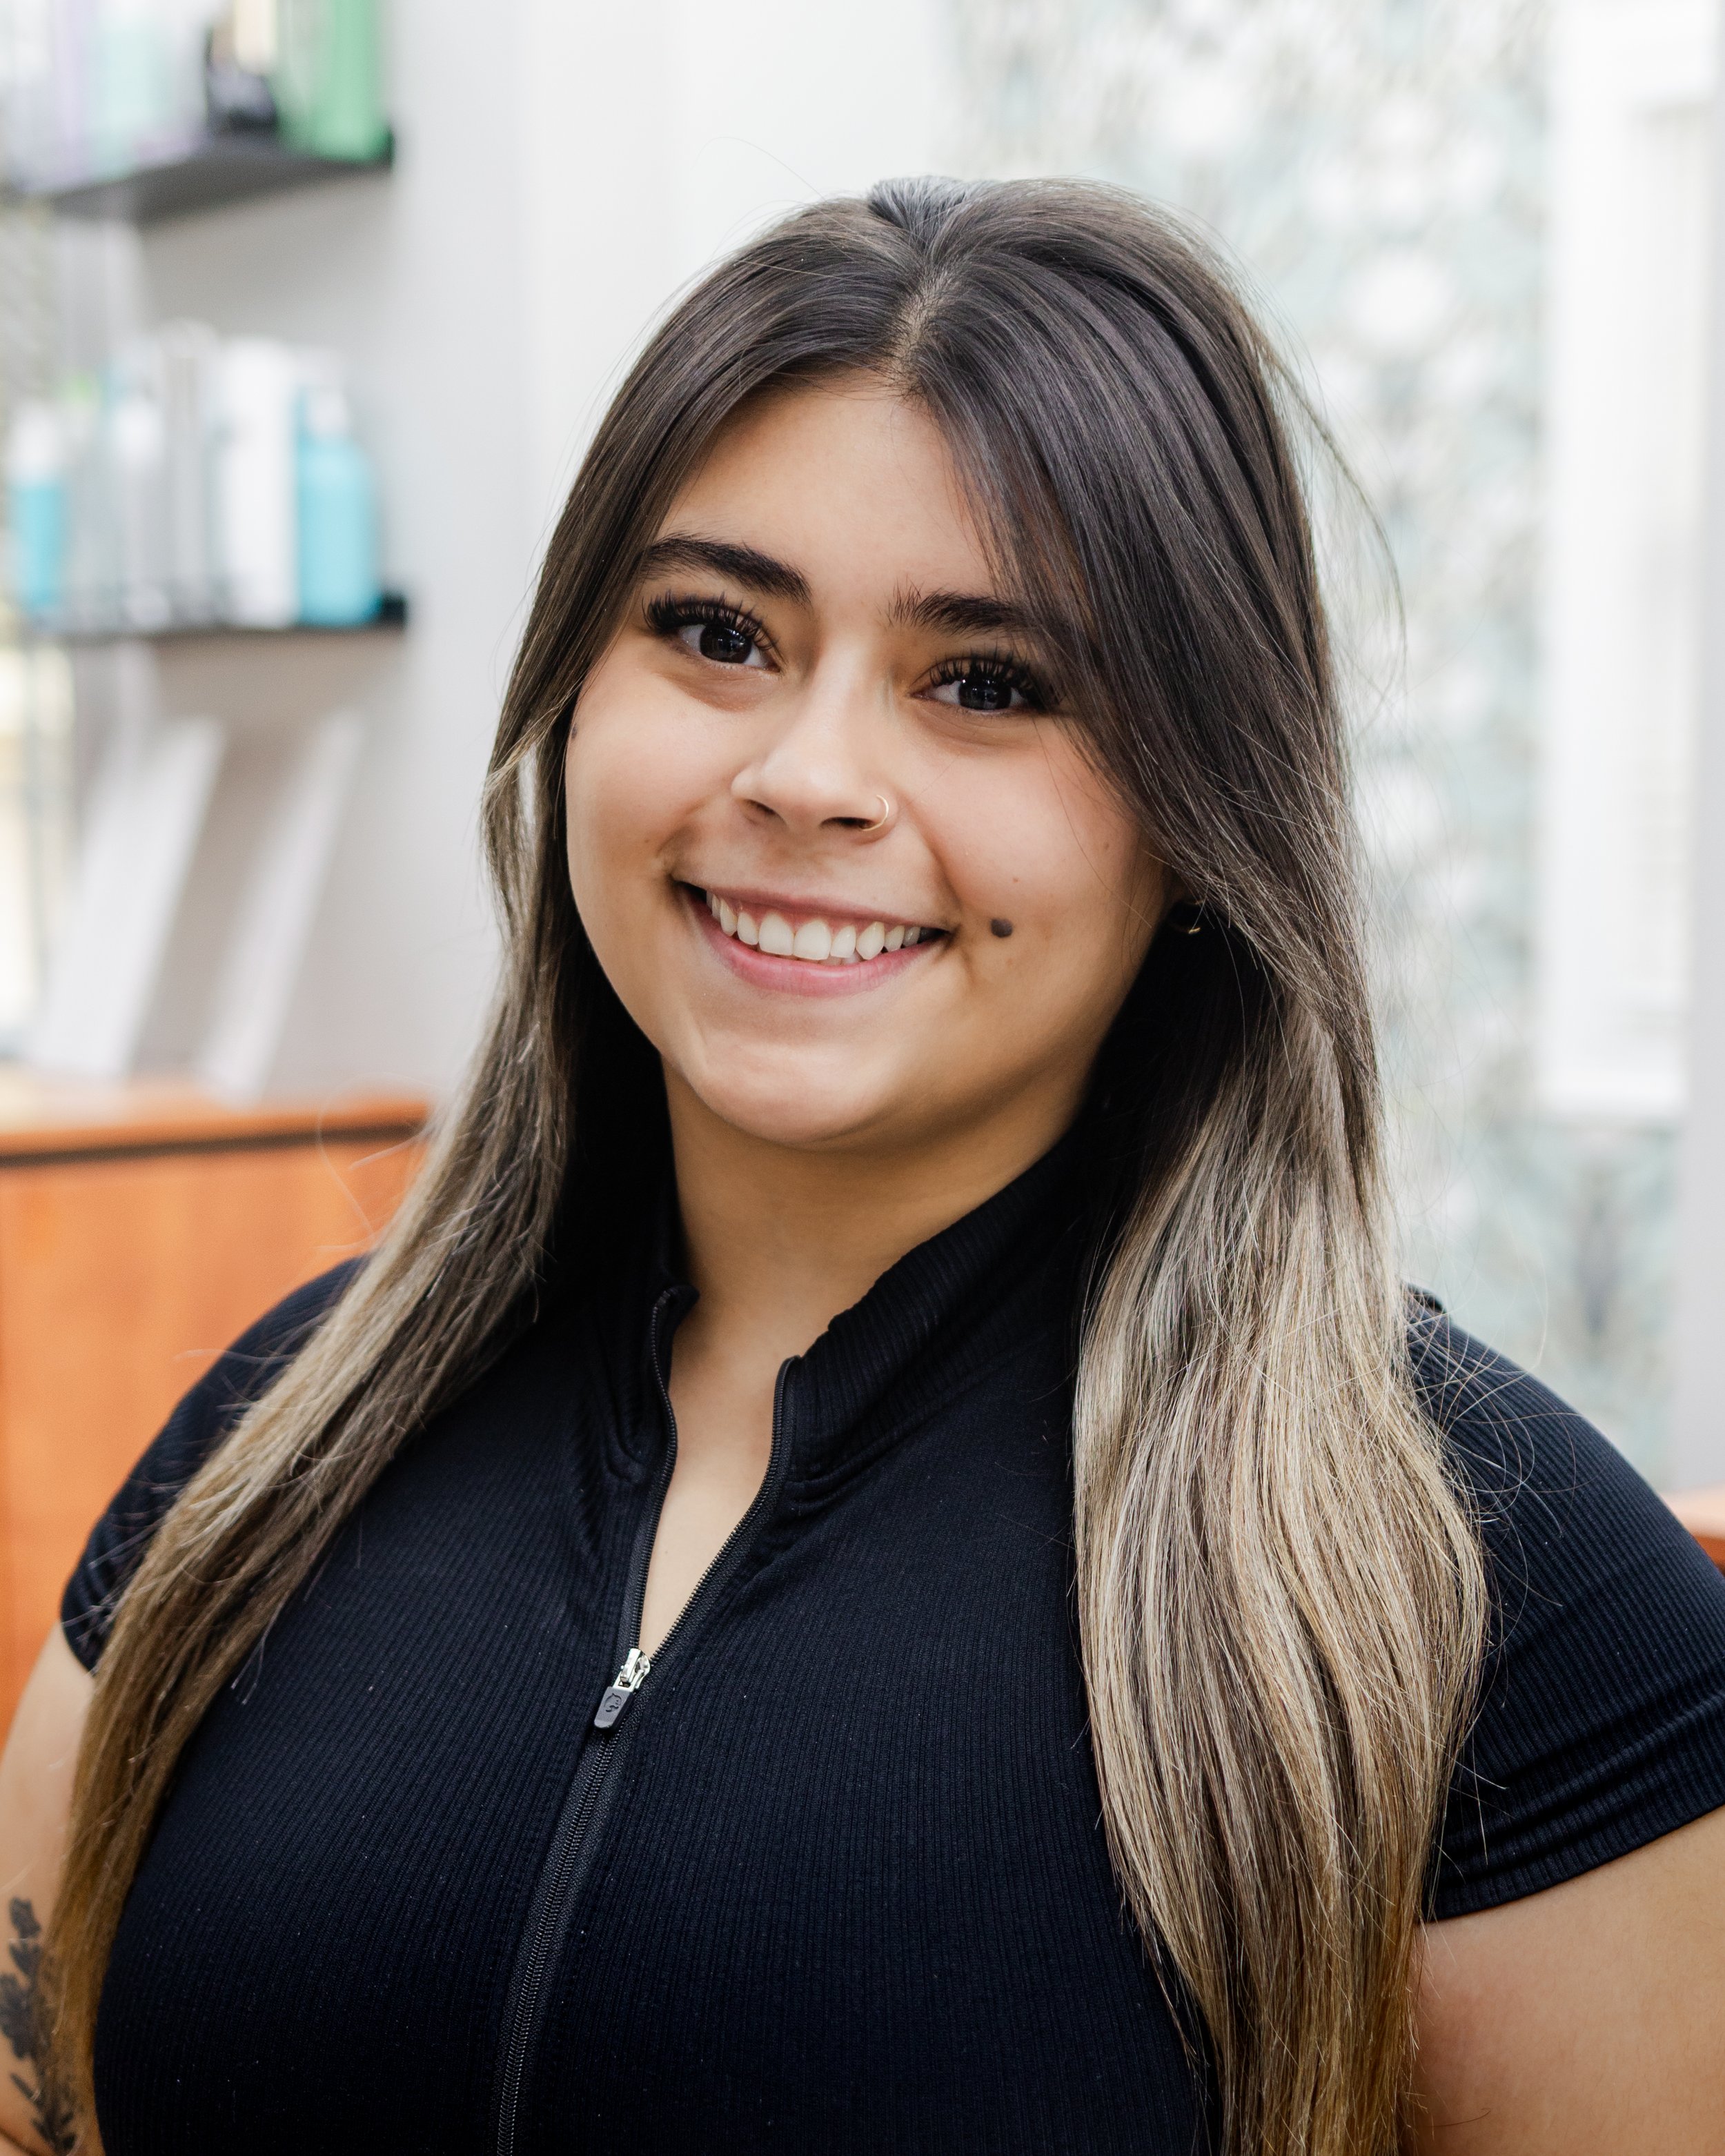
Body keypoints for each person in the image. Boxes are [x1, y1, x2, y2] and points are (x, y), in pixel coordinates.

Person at [2, 177, 1723, 2156]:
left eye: (986, 682)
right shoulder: (266, 1449)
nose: (808, 774)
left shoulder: (1487, 1593)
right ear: (572, 704)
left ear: (1194, 808)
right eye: (714, 634)